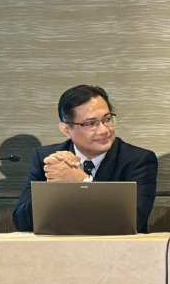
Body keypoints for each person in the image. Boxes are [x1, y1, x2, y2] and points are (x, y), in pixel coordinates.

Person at [12, 85, 158, 233]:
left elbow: (135, 221)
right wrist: (55, 187)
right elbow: (21, 222)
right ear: (66, 130)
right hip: (58, 250)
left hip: (116, 250)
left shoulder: (138, 160)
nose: (104, 130)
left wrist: (81, 181)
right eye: (90, 123)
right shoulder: (47, 158)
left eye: (107, 119)